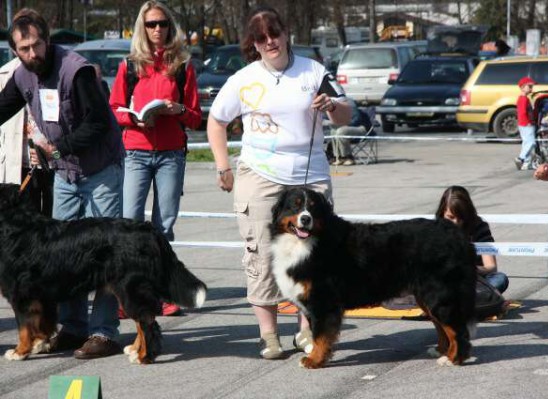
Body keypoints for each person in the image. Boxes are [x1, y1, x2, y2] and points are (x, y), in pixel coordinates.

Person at [207, 5, 351, 360]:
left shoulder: (314, 72)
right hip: (260, 175)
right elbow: (216, 122)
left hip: (310, 175)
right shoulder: (242, 79)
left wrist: (331, 104)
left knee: (315, 257)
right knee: (260, 253)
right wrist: (223, 165)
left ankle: (307, 329)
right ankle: (268, 335)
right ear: (253, 44)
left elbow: (348, 113)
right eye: (261, 38)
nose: (270, 42)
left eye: (274, 34)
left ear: (286, 34)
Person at [0, 8, 125, 359]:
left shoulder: (76, 69)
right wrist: (57, 157)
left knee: (103, 252)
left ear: (47, 39)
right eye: (23, 49)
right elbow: (3, 106)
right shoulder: (23, 75)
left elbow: (99, 122)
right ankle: (73, 329)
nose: (31, 54)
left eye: (36, 45)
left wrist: (56, 150)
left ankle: (103, 332)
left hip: (100, 171)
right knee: (63, 254)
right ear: (15, 51)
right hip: (65, 174)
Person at [109, 1, 201, 317]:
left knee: (164, 226)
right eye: (151, 25)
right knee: (131, 224)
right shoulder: (129, 64)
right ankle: (128, 295)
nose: (158, 29)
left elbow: (195, 117)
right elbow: (115, 107)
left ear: (170, 27)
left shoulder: (183, 65)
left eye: (162, 23)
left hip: (171, 153)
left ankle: (159, 294)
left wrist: (178, 111)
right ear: (142, 28)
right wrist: (135, 120)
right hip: (136, 151)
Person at [0, 57, 54, 216]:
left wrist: (53, 152)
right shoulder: (4, 74)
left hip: (53, 162)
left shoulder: (59, 71)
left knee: (54, 223)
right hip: (18, 165)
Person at [435, 185, 509, 293]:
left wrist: (473, 269)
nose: (455, 222)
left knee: (500, 279)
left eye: (460, 218)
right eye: (450, 217)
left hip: (475, 280)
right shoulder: (434, 229)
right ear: (442, 212)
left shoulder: (479, 227)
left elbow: (491, 266)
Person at [330, 99, 372, 166]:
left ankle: (348, 157)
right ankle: (338, 157)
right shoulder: (334, 105)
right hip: (346, 128)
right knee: (333, 131)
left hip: (362, 128)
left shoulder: (350, 104)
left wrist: (342, 123)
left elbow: (356, 121)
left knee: (342, 131)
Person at [514, 76, 536, 171]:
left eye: (532, 86)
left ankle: (526, 163)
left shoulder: (523, 98)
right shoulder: (523, 99)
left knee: (526, 142)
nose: (531, 88)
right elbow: (522, 112)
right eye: (529, 86)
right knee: (531, 142)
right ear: (522, 87)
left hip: (523, 124)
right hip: (526, 124)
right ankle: (521, 158)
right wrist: (528, 123)